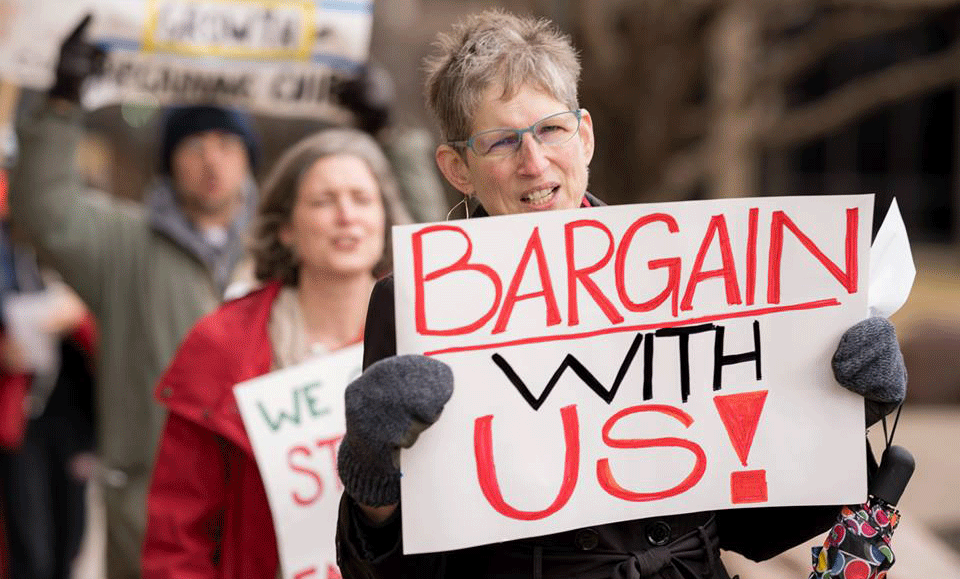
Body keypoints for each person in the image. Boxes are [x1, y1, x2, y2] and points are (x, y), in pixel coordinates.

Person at [333, 10, 909, 579]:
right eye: (501, 142)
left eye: (550, 129)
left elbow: (754, 526)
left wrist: (844, 404)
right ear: (458, 169)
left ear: (583, 135)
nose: (534, 163)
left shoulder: (685, 268)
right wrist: (372, 477)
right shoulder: (415, 301)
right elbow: (383, 565)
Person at [8, 16, 260, 579]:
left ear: (248, 157)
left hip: (264, 502)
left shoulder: (284, 244)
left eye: (226, 142)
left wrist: (385, 135)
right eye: (194, 144)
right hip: (152, 513)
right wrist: (60, 105)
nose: (211, 160)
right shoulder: (126, 243)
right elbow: (43, 213)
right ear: (169, 160)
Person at [141, 128, 409, 579]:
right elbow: (178, 532)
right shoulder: (221, 345)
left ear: (384, 221)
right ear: (285, 228)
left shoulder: (425, 339)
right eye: (324, 201)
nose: (347, 216)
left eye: (362, 199)